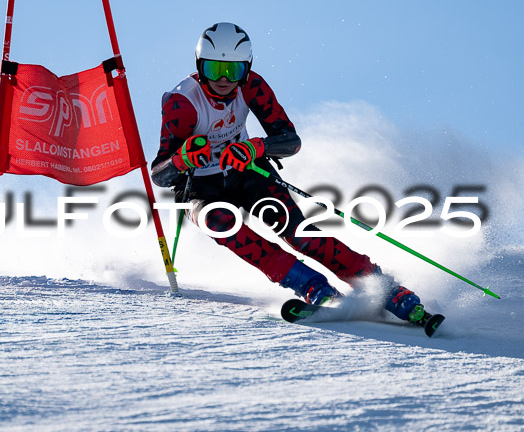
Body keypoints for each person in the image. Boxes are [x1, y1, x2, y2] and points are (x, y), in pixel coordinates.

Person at [151, 22, 429, 324]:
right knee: (222, 223)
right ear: (198, 65)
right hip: (200, 189)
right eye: (214, 68)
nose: (223, 79)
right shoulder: (182, 103)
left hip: (247, 173)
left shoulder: (252, 86)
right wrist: (181, 158)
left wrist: (257, 147)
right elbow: (160, 175)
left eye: (233, 71)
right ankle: (309, 285)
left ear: (247, 69)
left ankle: (385, 289)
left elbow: (290, 141)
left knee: (300, 235)